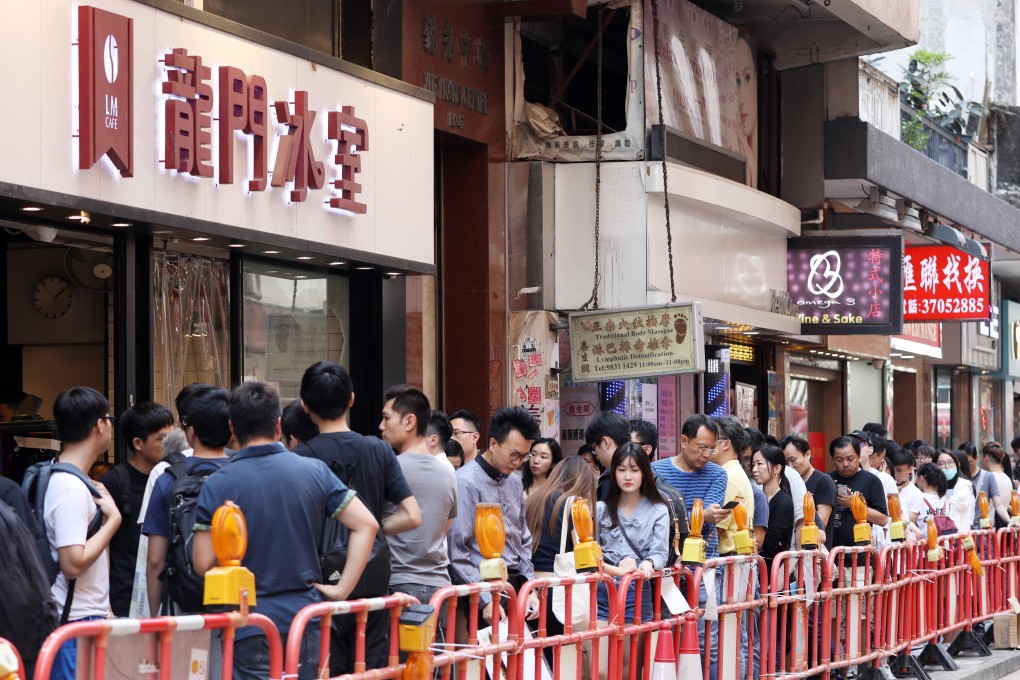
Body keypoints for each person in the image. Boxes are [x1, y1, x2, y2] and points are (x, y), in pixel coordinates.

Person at [192, 381, 378, 680]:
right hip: (305, 618)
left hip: (247, 621)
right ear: (278, 425)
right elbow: (367, 524)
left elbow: (202, 563)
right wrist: (342, 589)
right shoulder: (314, 472)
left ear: (232, 428)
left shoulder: (218, 483)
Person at [294, 362, 420, 675]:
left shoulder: (299, 458)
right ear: (351, 399)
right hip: (373, 579)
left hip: (323, 581)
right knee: (373, 669)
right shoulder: (378, 450)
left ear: (305, 405)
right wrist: (370, 527)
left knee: (328, 668)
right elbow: (412, 515)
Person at [45, 387, 122, 680]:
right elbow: (72, 562)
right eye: (109, 418)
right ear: (100, 425)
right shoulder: (71, 489)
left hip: (78, 619)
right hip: (74, 623)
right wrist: (113, 521)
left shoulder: (63, 477)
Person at [447, 406, 542, 625]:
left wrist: (530, 587)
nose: (518, 462)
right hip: (484, 589)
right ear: (492, 444)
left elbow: (523, 538)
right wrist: (485, 599)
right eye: (513, 454)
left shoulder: (516, 482)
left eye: (524, 456)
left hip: (516, 587)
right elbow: (458, 550)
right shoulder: (465, 482)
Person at [650, 414, 727, 680]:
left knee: (707, 638)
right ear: (684, 441)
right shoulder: (656, 471)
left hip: (704, 565)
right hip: (668, 566)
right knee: (666, 631)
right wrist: (698, 515)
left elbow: (705, 519)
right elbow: (656, 516)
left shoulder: (718, 474)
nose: (707, 454)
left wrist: (702, 517)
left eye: (712, 448)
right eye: (701, 447)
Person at [143, 386, 231, 616]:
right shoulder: (246, 473)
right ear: (231, 429)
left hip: (184, 606)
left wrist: (155, 616)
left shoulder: (168, 476)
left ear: (190, 432)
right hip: (237, 606)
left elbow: (155, 561)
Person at [378, 386, 458, 629]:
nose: (381, 426)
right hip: (439, 589)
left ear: (410, 421)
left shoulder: (388, 467)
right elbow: (445, 527)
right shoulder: (449, 473)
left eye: (386, 417)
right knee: (435, 664)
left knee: (397, 666)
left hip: (397, 587)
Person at [595, 443, 668, 680]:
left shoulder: (658, 509)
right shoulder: (600, 509)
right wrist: (614, 570)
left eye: (635, 470)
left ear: (644, 472)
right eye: (621, 470)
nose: (628, 476)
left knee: (629, 669)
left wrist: (648, 563)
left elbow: (660, 552)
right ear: (613, 472)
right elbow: (589, 555)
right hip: (602, 592)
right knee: (602, 669)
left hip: (636, 592)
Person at [97, 402, 174, 618]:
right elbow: (104, 547)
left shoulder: (173, 479)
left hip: (163, 598)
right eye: (161, 439)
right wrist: (107, 606)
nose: (169, 445)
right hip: (124, 601)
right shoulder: (113, 482)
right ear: (138, 443)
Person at [525, 455, 596, 667]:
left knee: (538, 661)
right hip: (560, 591)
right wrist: (619, 570)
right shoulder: (574, 504)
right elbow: (587, 557)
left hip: (531, 590)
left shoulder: (533, 500)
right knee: (562, 661)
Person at [827, 435, 888, 551]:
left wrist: (855, 505)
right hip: (830, 555)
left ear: (859, 456)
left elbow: (883, 519)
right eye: (839, 460)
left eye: (850, 459)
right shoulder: (827, 480)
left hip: (860, 554)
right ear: (833, 458)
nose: (845, 464)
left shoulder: (871, 480)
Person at [712, 416, 755, 557]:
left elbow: (717, 526)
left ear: (725, 444)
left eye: (711, 441)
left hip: (730, 559)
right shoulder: (734, 472)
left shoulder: (729, 476)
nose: (707, 447)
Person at [750, 444, 794, 574]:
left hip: (772, 571)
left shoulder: (784, 502)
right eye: (753, 464)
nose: (754, 469)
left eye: (759, 464)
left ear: (777, 469)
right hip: (755, 567)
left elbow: (769, 543)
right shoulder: (756, 497)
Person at [783, 435, 837, 530]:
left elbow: (822, 521)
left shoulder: (824, 481)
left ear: (808, 455)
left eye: (793, 460)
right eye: (786, 463)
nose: (790, 466)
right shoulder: (785, 482)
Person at [586, 411, 634, 501]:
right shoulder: (646, 470)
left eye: (594, 449)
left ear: (605, 442)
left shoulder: (610, 479)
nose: (596, 457)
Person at [961, 442, 1009, 527]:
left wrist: (1009, 521)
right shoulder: (1006, 478)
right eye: (963, 462)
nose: (966, 466)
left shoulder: (989, 477)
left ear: (977, 458)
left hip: (984, 530)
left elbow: (999, 505)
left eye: (969, 462)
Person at [938, 450, 975, 533]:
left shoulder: (964, 485)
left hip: (961, 537)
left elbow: (949, 508)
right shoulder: (935, 487)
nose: (947, 466)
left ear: (957, 464)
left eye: (950, 462)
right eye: (942, 464)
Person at [888, 443, 924, 525]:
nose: (895, 474)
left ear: (910, 469)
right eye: (893, 470)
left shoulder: (916, 494)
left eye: (899, 470)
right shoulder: (886, 486)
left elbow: (909, 522)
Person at [982, 442, 1015, 527]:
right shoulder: (1007, 479)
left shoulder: (988, 477)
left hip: (988, 530)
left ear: (986, 458)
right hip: (1000, 529)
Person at [913, 463, 951, 531]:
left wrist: (912, 483)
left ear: (921, 478)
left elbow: (909, 520)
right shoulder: (945, 500)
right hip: (942, 540)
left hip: (925, 541)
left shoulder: (918, 497)